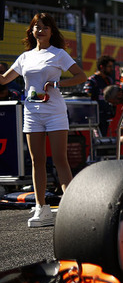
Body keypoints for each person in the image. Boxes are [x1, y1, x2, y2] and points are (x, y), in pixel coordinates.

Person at [1, 12, 87, 227]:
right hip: (31, 113)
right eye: (37, 26)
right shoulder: (25, 57)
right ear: (31, 30)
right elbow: (3, 80)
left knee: (59, 159)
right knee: (37, 160)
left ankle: (71, 207)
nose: (40, 30)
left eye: (45, 26)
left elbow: (81, 76)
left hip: (55, 111)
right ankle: (41, 208)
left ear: (51, 31)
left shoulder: (58, 54)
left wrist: (58, 85)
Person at [83, 55, 117, 136]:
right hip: (95, 119)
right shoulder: (92, 81)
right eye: (109, 66)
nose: (111, 69)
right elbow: (86, 97)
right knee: (97, 141)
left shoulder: (109, 80)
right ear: (102, 67)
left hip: (106, 117)